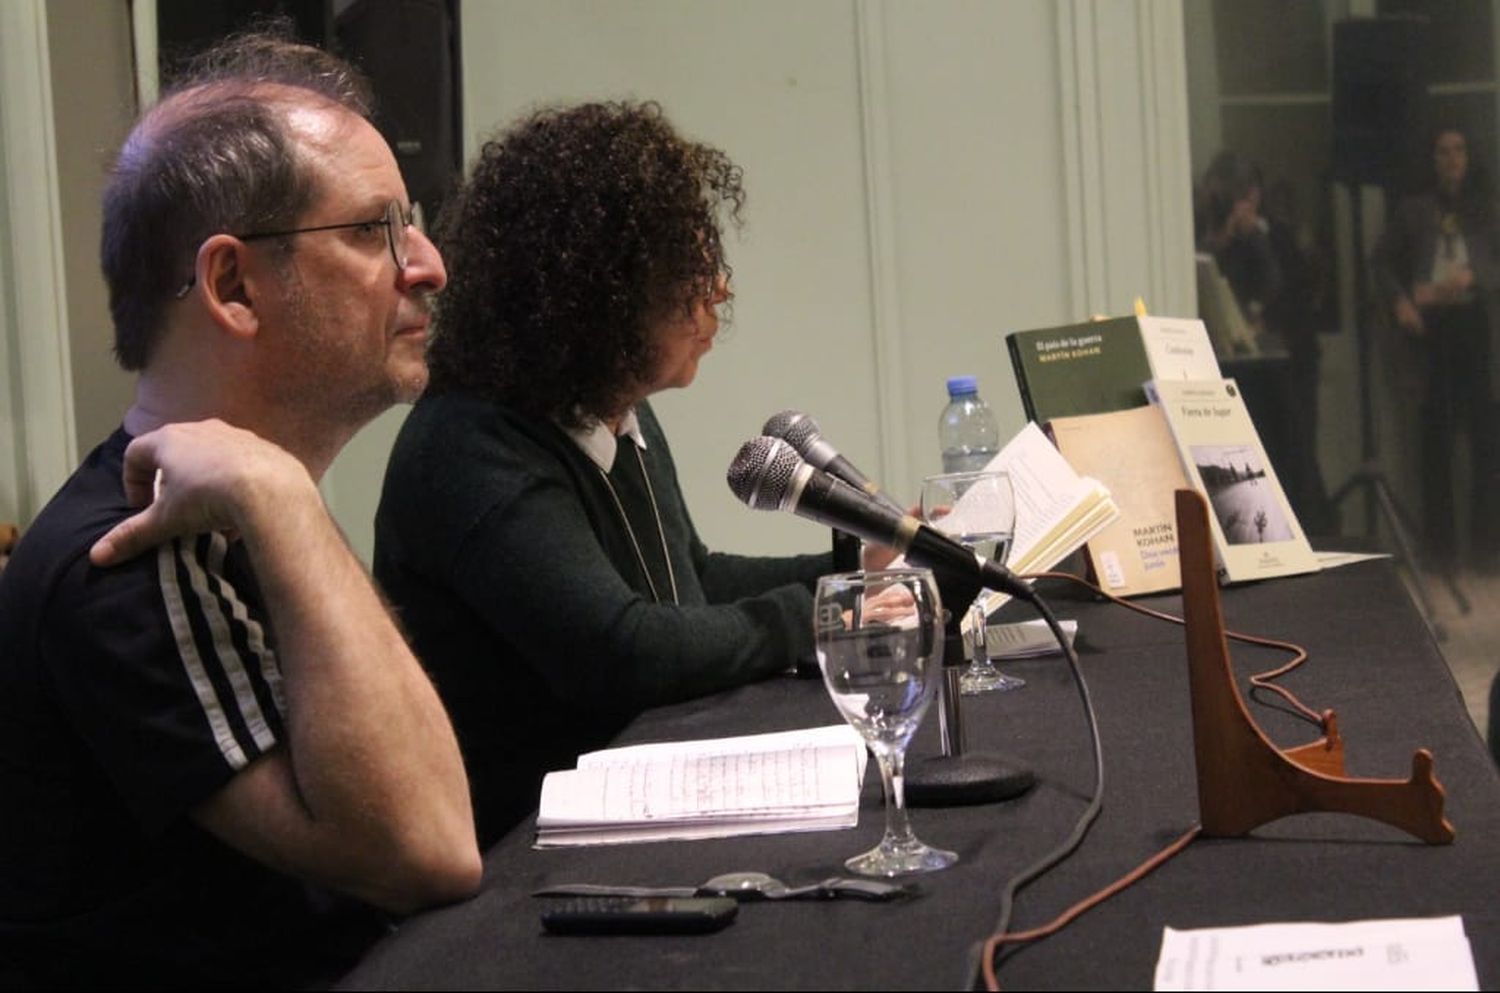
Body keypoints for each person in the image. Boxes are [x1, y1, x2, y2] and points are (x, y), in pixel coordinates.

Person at [0, 31, 482, 986]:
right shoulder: (128, 558)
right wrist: (283, 496)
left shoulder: (233, 512)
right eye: (372, 229)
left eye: (413, 222)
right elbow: (429, 849)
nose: (426, 264)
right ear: (232, 285)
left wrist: (279, 497)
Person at [374, 101, 857, 845]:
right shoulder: (468, 449)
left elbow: (688, 577)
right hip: (524, 868)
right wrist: (831, 615)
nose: (718, 291)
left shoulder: (613, 408)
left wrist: (859, 572)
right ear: (600, 297)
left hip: (641, 813)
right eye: (690, 270)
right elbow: (623, 652)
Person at [1373, 125, 1500, 571]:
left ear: (1469, 157)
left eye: (1459, 151)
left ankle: (1487, 550)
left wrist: (1477, 277)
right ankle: (1441, 553)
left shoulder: (1484, 209)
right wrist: (1401, 302)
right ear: (1432, 158)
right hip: (1431, 331)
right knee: (1435, 440)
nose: (1452, 159)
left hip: (1473, 326)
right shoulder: (1413, 210)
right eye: (1443, 151)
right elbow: (1382, 261)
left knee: (1486, 439)